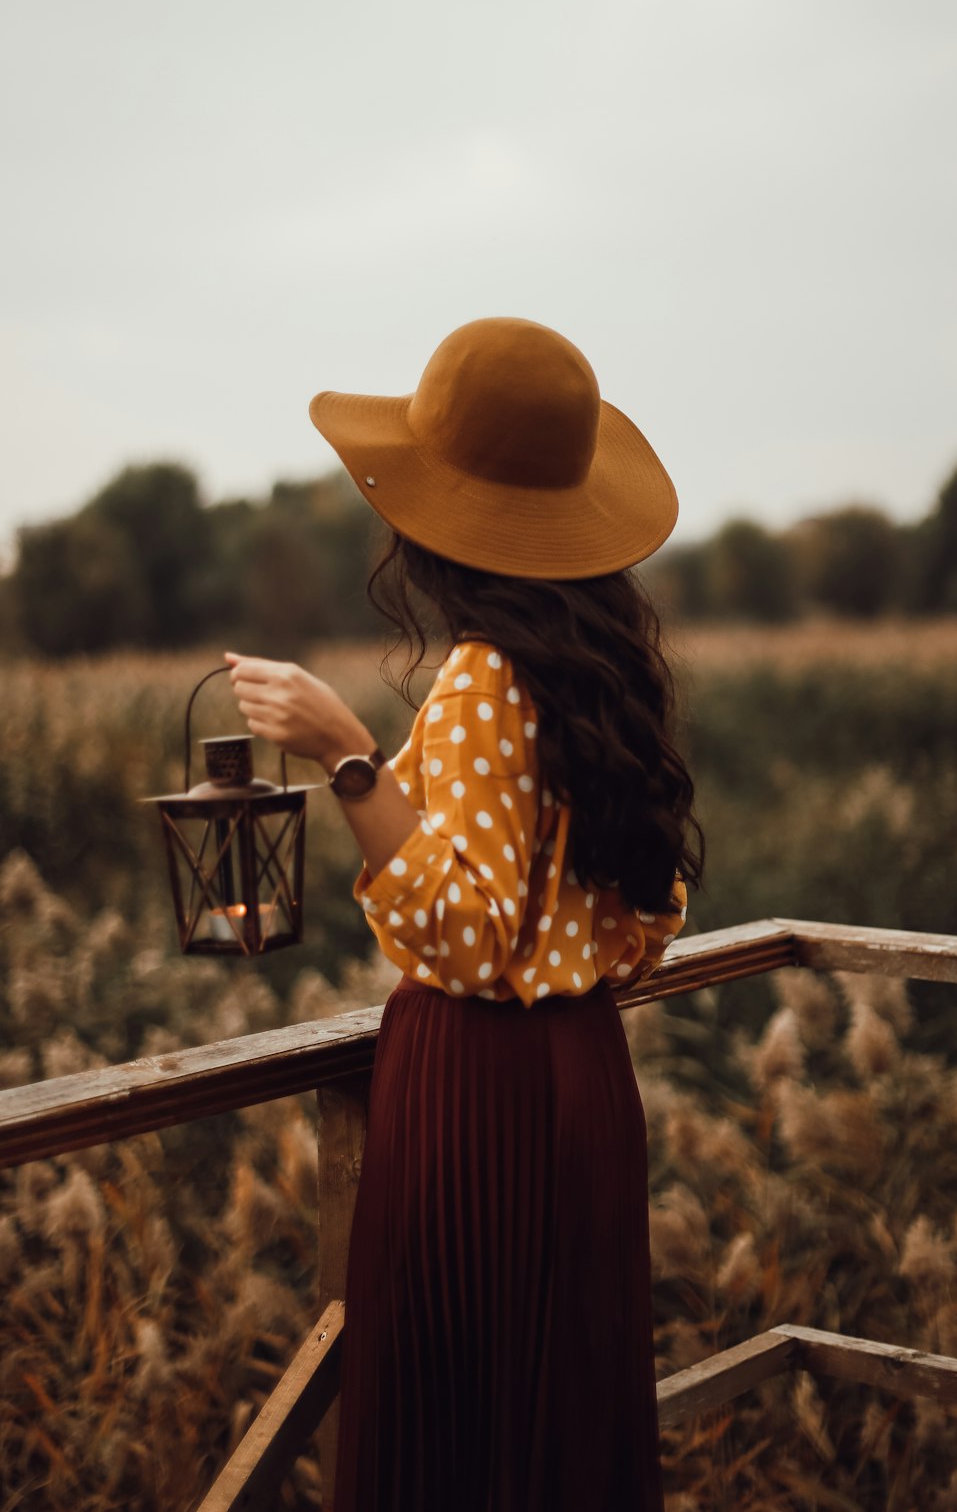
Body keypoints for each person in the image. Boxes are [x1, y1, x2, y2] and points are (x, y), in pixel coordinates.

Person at [226, 315, 705, 1512]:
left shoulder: (488, 675)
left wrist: (347, 757)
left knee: (464, 1423)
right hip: (583, 1076)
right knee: (556, 1416)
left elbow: (477, 934)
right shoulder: (601, 671)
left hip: (479, 1088)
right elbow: (646, 912)